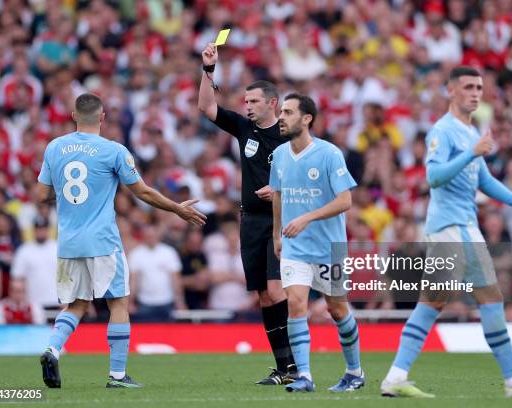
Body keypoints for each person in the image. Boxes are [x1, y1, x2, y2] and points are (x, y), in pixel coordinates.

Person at [380, 67, 512, 398]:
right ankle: (511, 379)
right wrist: (471, 152)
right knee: (438, 301)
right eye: (468, 87)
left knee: (480, 298)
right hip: (449, 228)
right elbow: (433, 177)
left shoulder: (471, 130)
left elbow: (484, 181)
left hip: (465, 228)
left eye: (479, 87)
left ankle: (511, 379)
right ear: (450, 91)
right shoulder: (443, 131)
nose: (475, 93)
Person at [36, 93, 206, 389]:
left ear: (74, 116)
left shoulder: (54, 148)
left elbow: (41, 195)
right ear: (102, 118)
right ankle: (117, 375)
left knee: (76, 304)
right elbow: (143, 193)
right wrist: (177, 208)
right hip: (103, 242)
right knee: (118, 302)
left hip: (68, 242)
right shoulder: (114, 150)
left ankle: (52, 349)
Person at [198, 42, 295, 384]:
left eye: (254, 101)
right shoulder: (244, 129)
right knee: (264, 295)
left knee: (277, 287)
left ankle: (297, 364)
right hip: (250, 221)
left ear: (272, 104)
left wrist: (282, 191)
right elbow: (206, 107)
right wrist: (209, 70)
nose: (248, 106)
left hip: (280, 221)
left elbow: (312, 181)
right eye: (246, 102)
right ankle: (284, 367)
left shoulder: (291, 137)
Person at [270, 93, 363, 392]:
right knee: (296, 305)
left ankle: (354, 372)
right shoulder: (280, 155)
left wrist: (307, 218)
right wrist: (276, 233)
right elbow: (278, 194)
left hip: (328, 249)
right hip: (294, 247)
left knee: (336, 309)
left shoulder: (329, 154)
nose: (281, 117)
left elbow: (345, 200)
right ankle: (305, 377)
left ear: (306, 118)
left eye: (288, 112)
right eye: (281, 111)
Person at [129, 223, 186, 321]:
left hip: (167, 301)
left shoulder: (169, 252)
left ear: (158, 236)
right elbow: (133, 280)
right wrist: (130, 302)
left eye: (153, 236)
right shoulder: (136, 254)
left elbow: (175, 279)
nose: (151, 238)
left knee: (169, 334)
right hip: (145, 302)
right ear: (143, 236)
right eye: (148, 236)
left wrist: (180, 301)